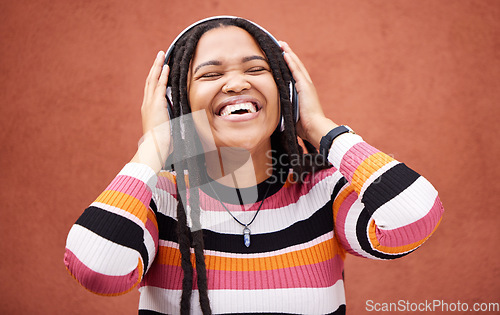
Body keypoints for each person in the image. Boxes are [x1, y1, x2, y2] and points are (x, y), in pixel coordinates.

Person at [64, 16, 444, 315]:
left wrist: (318, 127)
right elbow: (98, 270)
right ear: (177, 103)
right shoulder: (159, 199)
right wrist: (154, 146)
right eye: (211, 74)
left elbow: (413, 218)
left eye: (256, 69)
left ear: (286, 92)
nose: (235, 84)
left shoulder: (322, 191)